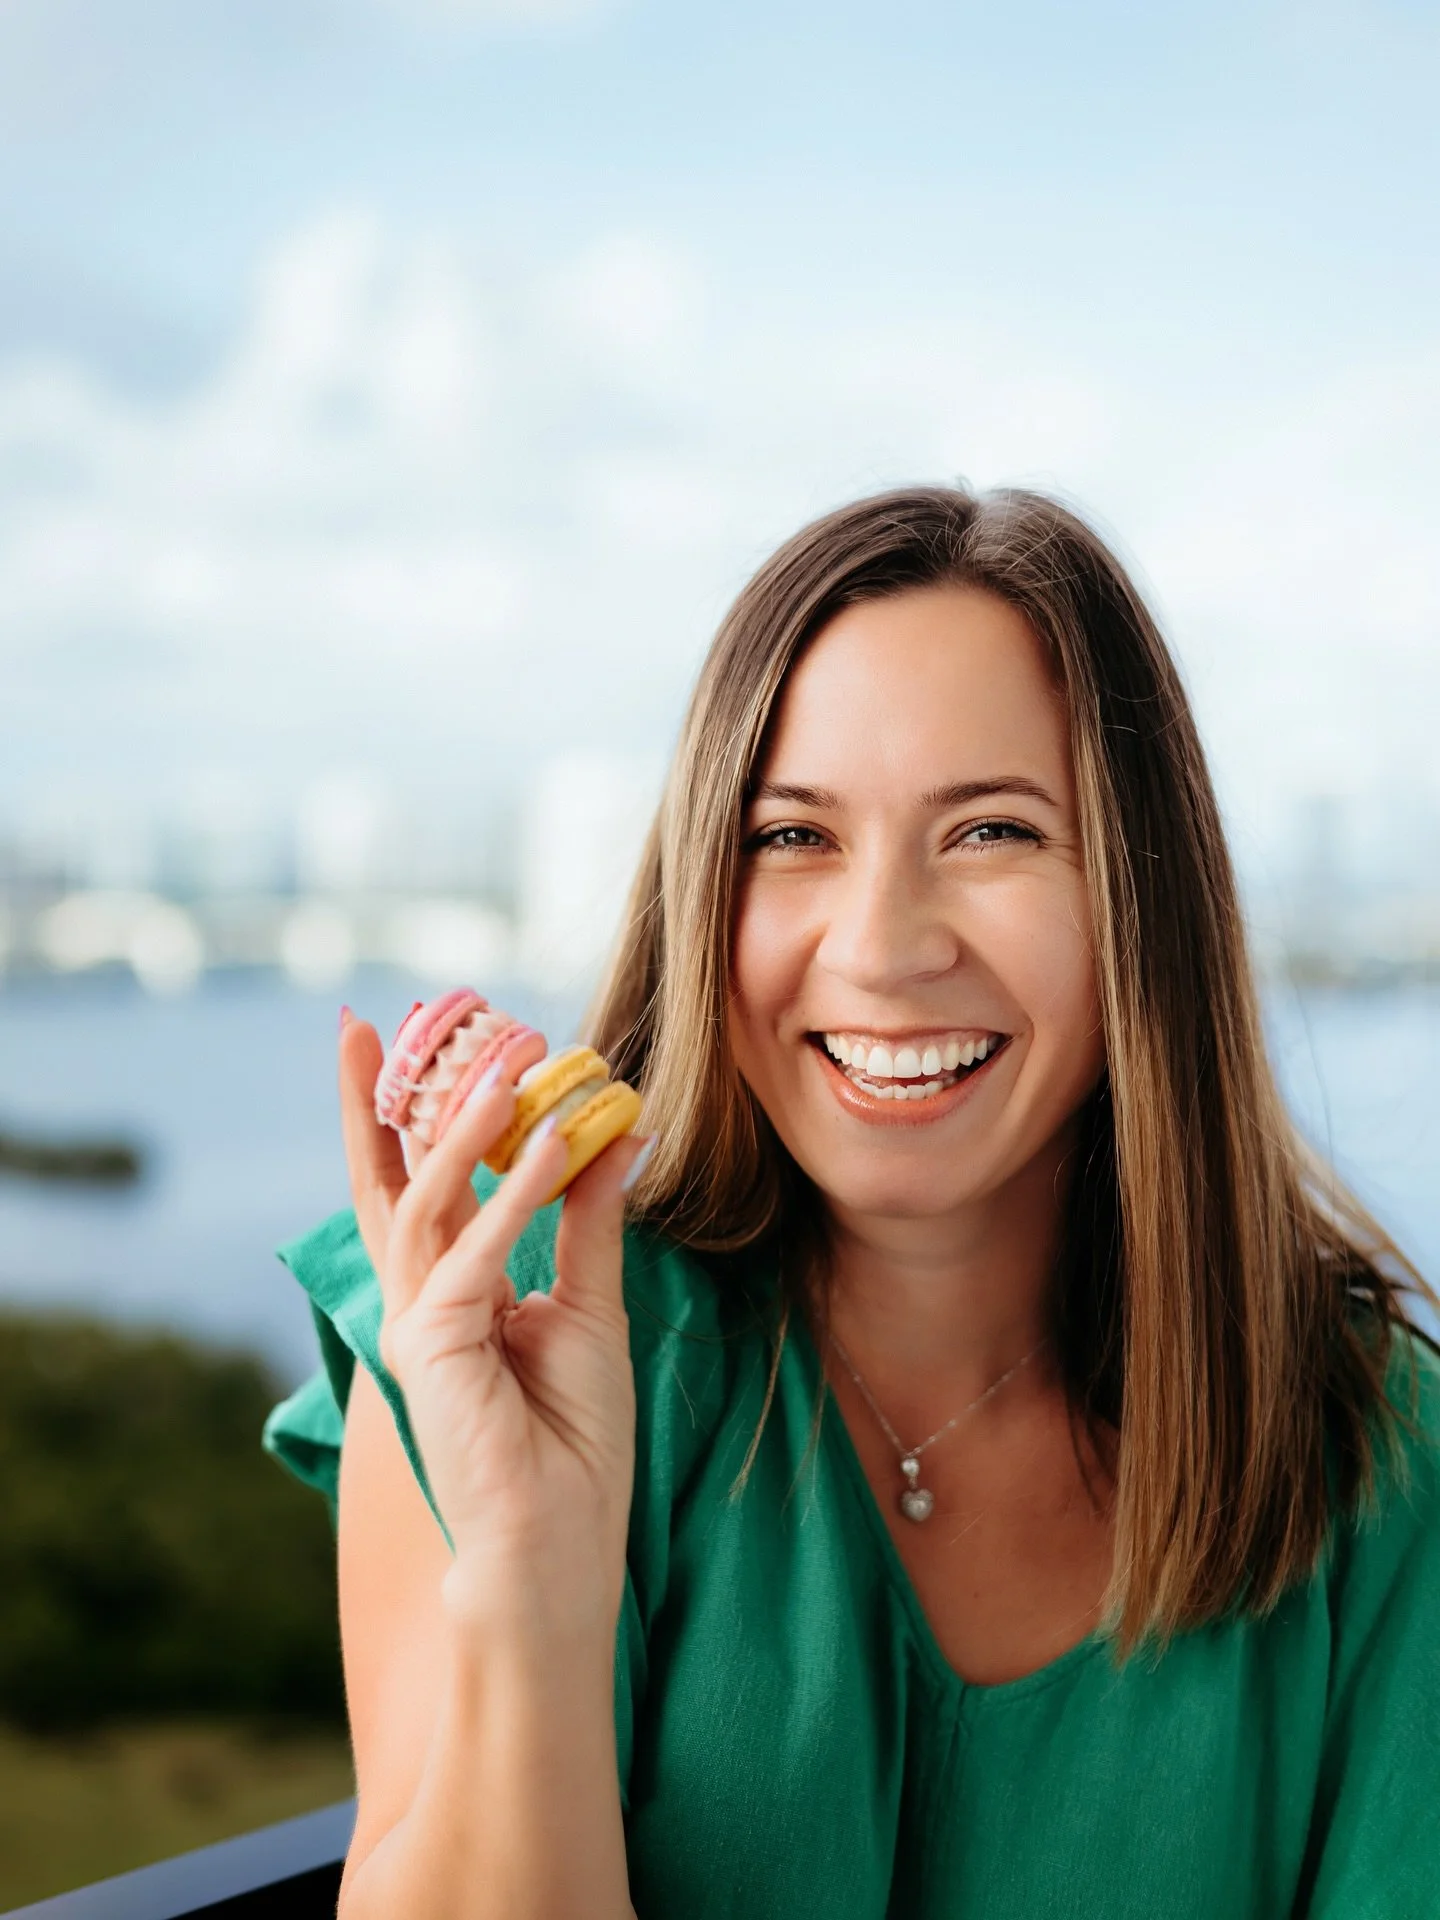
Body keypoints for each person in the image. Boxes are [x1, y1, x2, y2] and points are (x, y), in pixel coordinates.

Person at [265, 486, 1440, 1919]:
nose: (881, 949)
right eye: (792, 838)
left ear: (1143, 901)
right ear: (706, 886)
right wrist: (531, 1585)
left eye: (993, 833)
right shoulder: (498, 1356)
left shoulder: (1385, 1461)